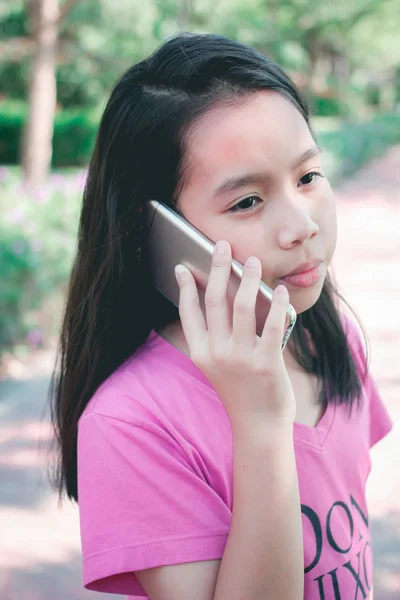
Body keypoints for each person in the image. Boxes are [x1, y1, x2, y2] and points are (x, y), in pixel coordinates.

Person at [49, 32, 393, 600]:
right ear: (158, 232)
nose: (301, 226)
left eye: (307, 177)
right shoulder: (132, 423)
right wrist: (260, 423)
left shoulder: (334, 337)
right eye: (247, 202)